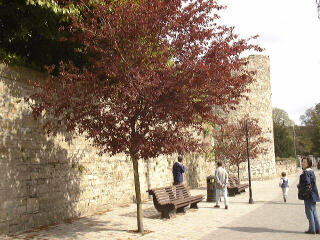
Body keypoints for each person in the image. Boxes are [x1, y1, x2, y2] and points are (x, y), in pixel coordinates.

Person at [297, 156, 320, 234]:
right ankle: (318, 228)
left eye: (304, 162)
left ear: (308, 163)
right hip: (313, 194)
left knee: (309, 212)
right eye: (302, 161)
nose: (302, 163)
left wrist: (299, 186)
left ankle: (312, 229)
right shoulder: (311, 171)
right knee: (314, 212)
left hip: (308, 195)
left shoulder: (306, 173)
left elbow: (307, 183)